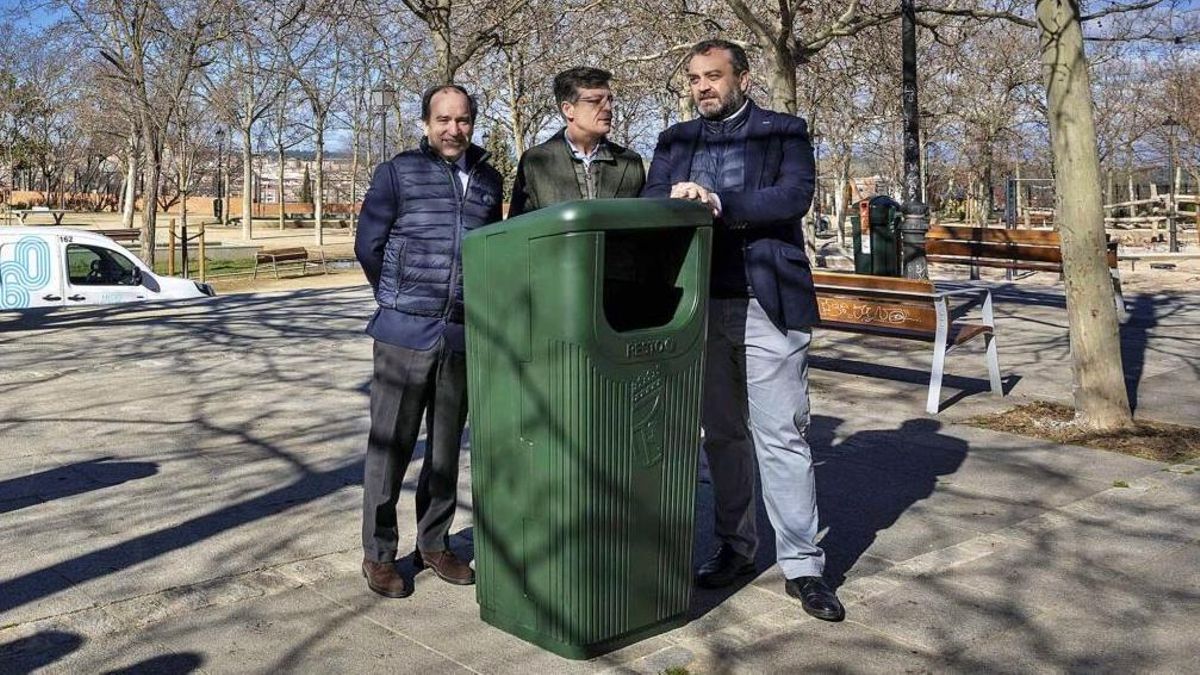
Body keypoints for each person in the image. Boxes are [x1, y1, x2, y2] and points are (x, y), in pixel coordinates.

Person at [642, 39, 845, 622]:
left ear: (743, 78)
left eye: (713, 76)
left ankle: (804, 566)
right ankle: (735, 547)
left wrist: (718, 200)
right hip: (697, 306)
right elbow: (653, 197)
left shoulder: (783, 131)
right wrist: (676, 199)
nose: (702, 86)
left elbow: (793, 197)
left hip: (767, 302)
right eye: (694, 78)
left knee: (781, 435)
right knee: (722, 435)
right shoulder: (675, 141)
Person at [355, 84, 504, 598]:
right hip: (404, 332)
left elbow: (491, 252)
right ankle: (378, 553)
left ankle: (434, 543)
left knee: (444, 449)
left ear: (472, 123)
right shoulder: (398, 172)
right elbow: (368, 244)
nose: (452, 129)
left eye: (462, 120)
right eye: (442, 119)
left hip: (462, 334)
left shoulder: (489, 179)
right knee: (389, 447)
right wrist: (398, 298)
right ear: (425, 123)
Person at [507, 67, 644, 217]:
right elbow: (519, 228)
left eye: (609, 100)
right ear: (568, 109)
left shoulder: (630, 163)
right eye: (595, 101)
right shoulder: (536, 163)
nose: (608, 108)